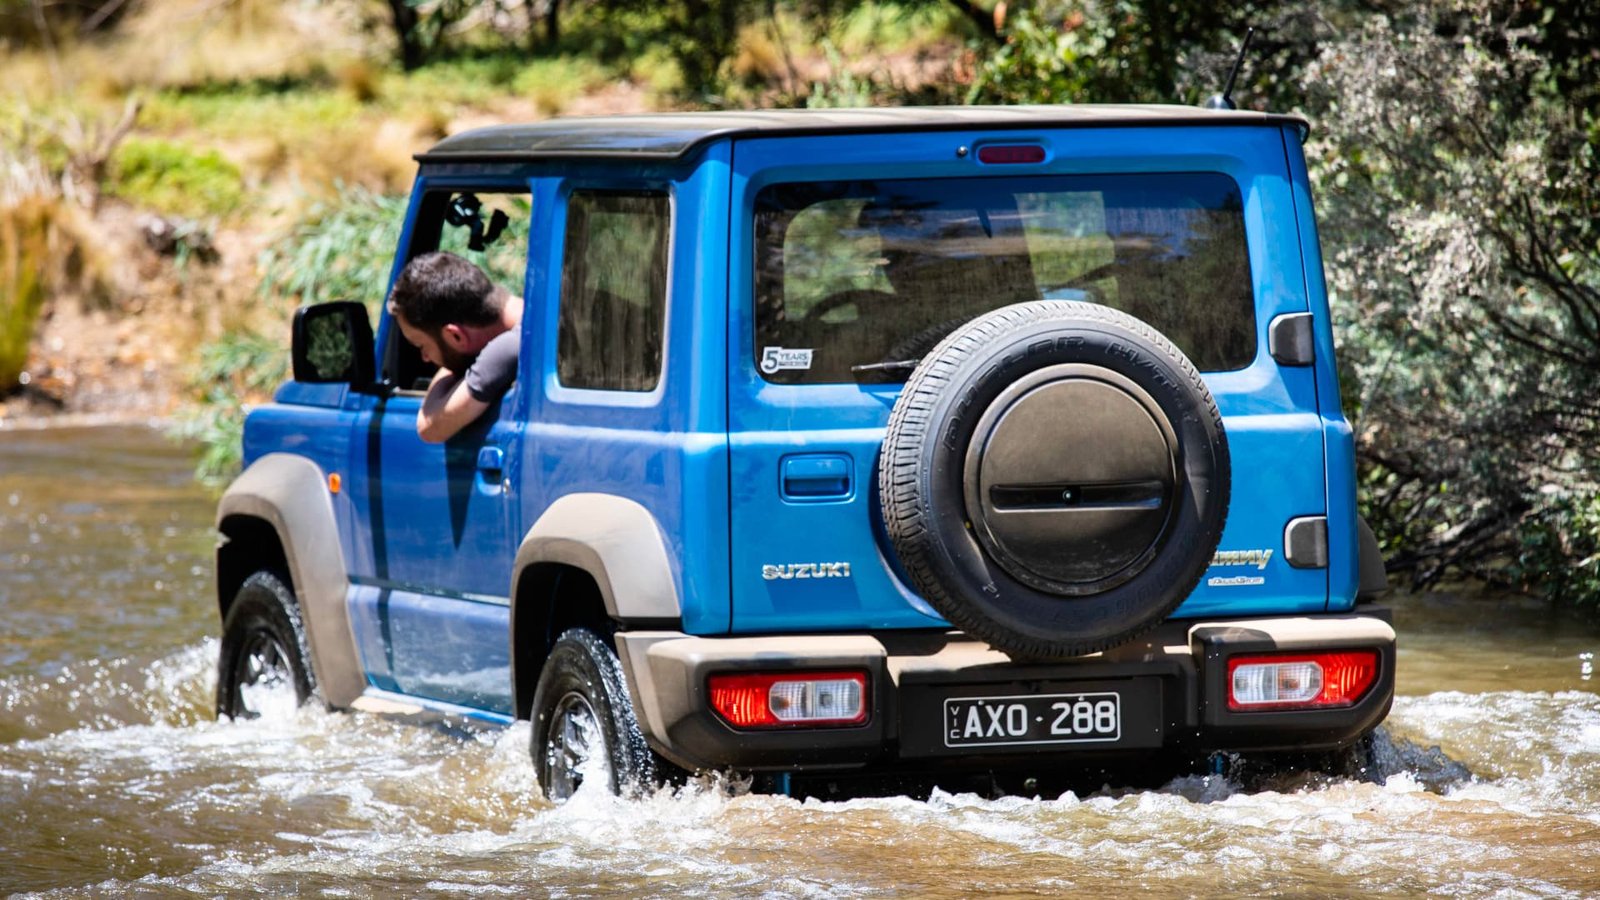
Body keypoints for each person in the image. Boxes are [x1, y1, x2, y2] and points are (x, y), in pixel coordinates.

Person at [386, 251, 523, 443]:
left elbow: (429, 426)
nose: (425, 357)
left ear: (455, 335)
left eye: (422, 345)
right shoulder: (530, 316)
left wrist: (454, 365)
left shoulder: (509, 346)